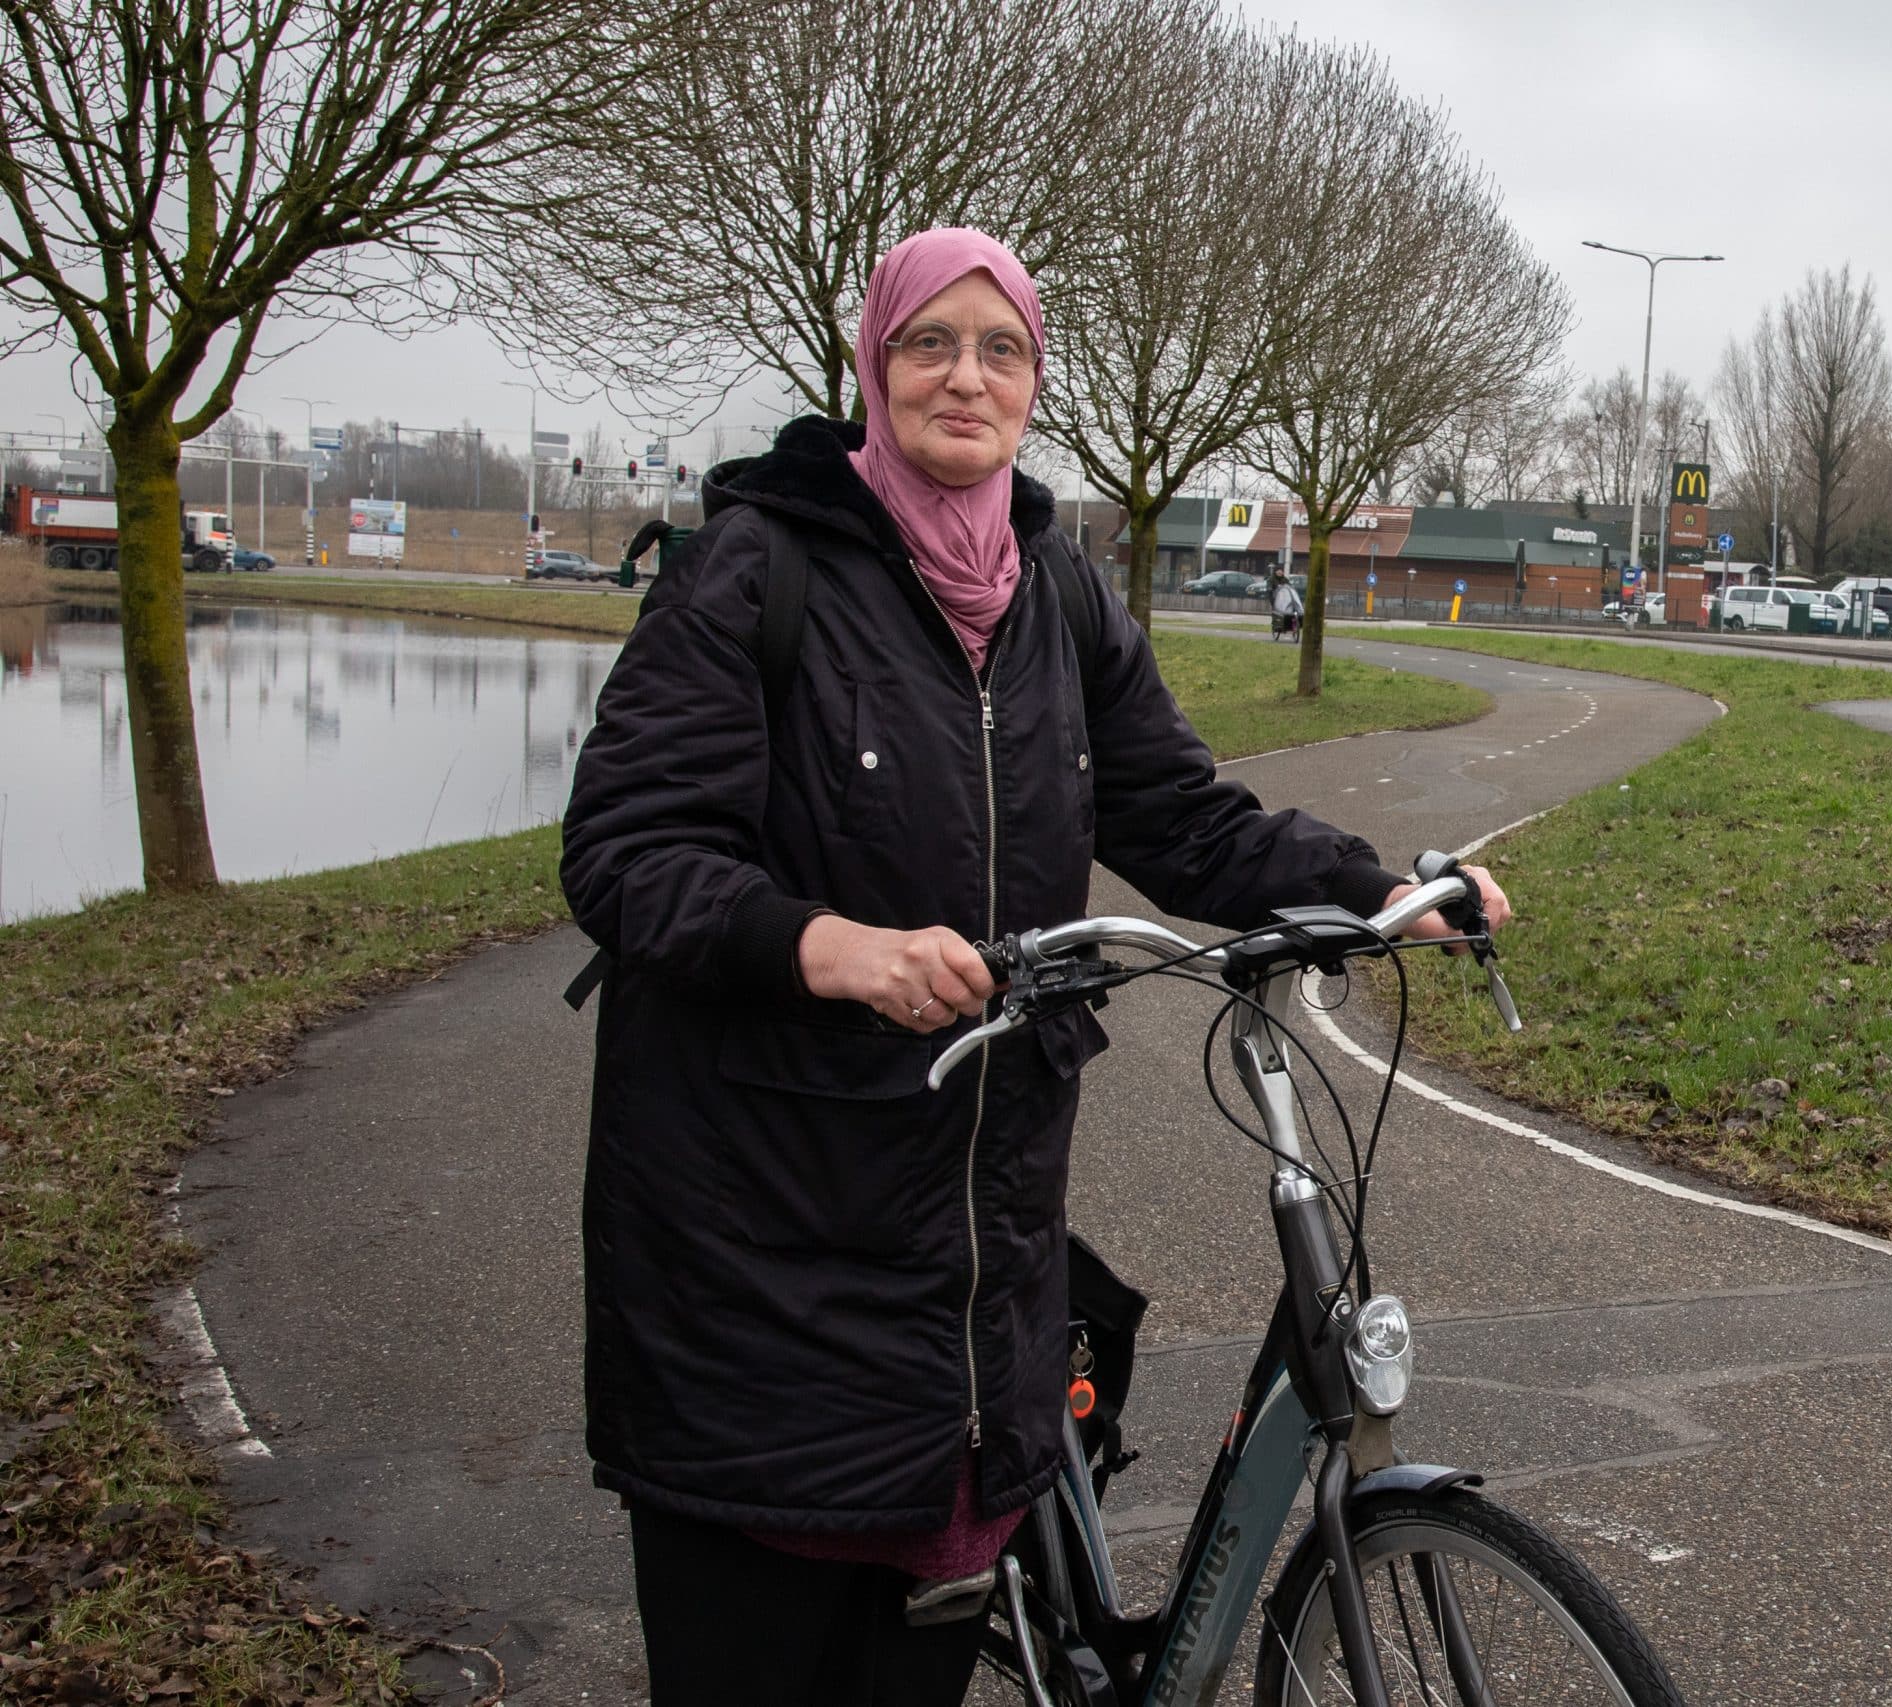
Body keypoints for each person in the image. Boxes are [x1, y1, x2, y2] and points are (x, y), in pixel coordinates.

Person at [557, 227, 1509, 1706]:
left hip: (972, 1220)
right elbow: (625, 849)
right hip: (758, 1226)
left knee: (913, 1655)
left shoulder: (1057, 587)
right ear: (873, 367)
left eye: (1000, 349)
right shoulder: (759, 570)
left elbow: (1175, 810)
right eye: (930, 342)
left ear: (1033, 382)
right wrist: (827, 945)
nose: (966, 375)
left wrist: (1375, 885)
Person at [1271, 565, 1304, 639]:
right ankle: (1277, 626)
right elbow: (1269, 587)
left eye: (1281, 571)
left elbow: (1290, 587)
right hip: (1276, 598)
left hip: (1285, 598)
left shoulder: (1285, 579)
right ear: (1275, 571)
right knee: (1278, 613)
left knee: (1291, 610)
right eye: (1278, 570)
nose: (1280, 572)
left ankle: (1293, 625)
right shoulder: (1272, 579)